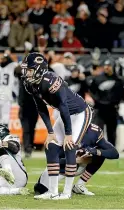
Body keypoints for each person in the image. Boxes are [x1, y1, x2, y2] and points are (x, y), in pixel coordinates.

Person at [21, 52, 92, 200]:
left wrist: (68, 134)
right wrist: (50, 131)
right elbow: (41, 108)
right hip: (64, 114)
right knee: (51, 145)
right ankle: (52, 191)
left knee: (69, 146)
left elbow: (64, 106)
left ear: (39, 69)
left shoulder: (51, 80)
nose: (26, 73)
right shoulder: (29, 84)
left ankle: (66, 193)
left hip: (80, 113)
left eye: (29, 69)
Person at [34, 123, 119, 196]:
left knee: (100, 153)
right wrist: (75, 160)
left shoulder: (94, 131)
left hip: (78, 167)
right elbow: (53, 161)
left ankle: (80, 185)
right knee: (41, 189)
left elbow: (114, 153)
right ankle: (60, 192)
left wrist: (96, 151)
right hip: (60, 169)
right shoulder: (62, 130)